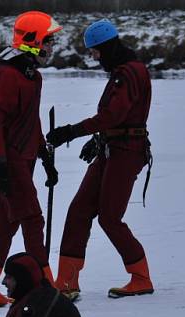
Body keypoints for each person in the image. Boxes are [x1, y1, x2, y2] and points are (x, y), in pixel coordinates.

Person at [46, 19, 154, 301]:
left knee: (109, 217)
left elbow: (113, 116)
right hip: (112, 146)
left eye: (94, 51)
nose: (93, 57)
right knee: (79, 209)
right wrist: (98, 140)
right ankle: (66, 282)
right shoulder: (125, 70)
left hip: (127, 152)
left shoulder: (128, 73)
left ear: (106, 47)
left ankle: (141, 277)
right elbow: (117, 119)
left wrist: (73, 131)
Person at [0, 11, 61, 308]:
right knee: (33, 220)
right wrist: (0, 163)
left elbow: (31, 120)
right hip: (10, 160)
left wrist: (44, 155)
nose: (52, 47)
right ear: (32, 41)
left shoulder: (32, 77)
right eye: (48, 41)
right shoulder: (9, 76)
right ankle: (45, 287)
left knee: (4, 224)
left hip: (25, 160)